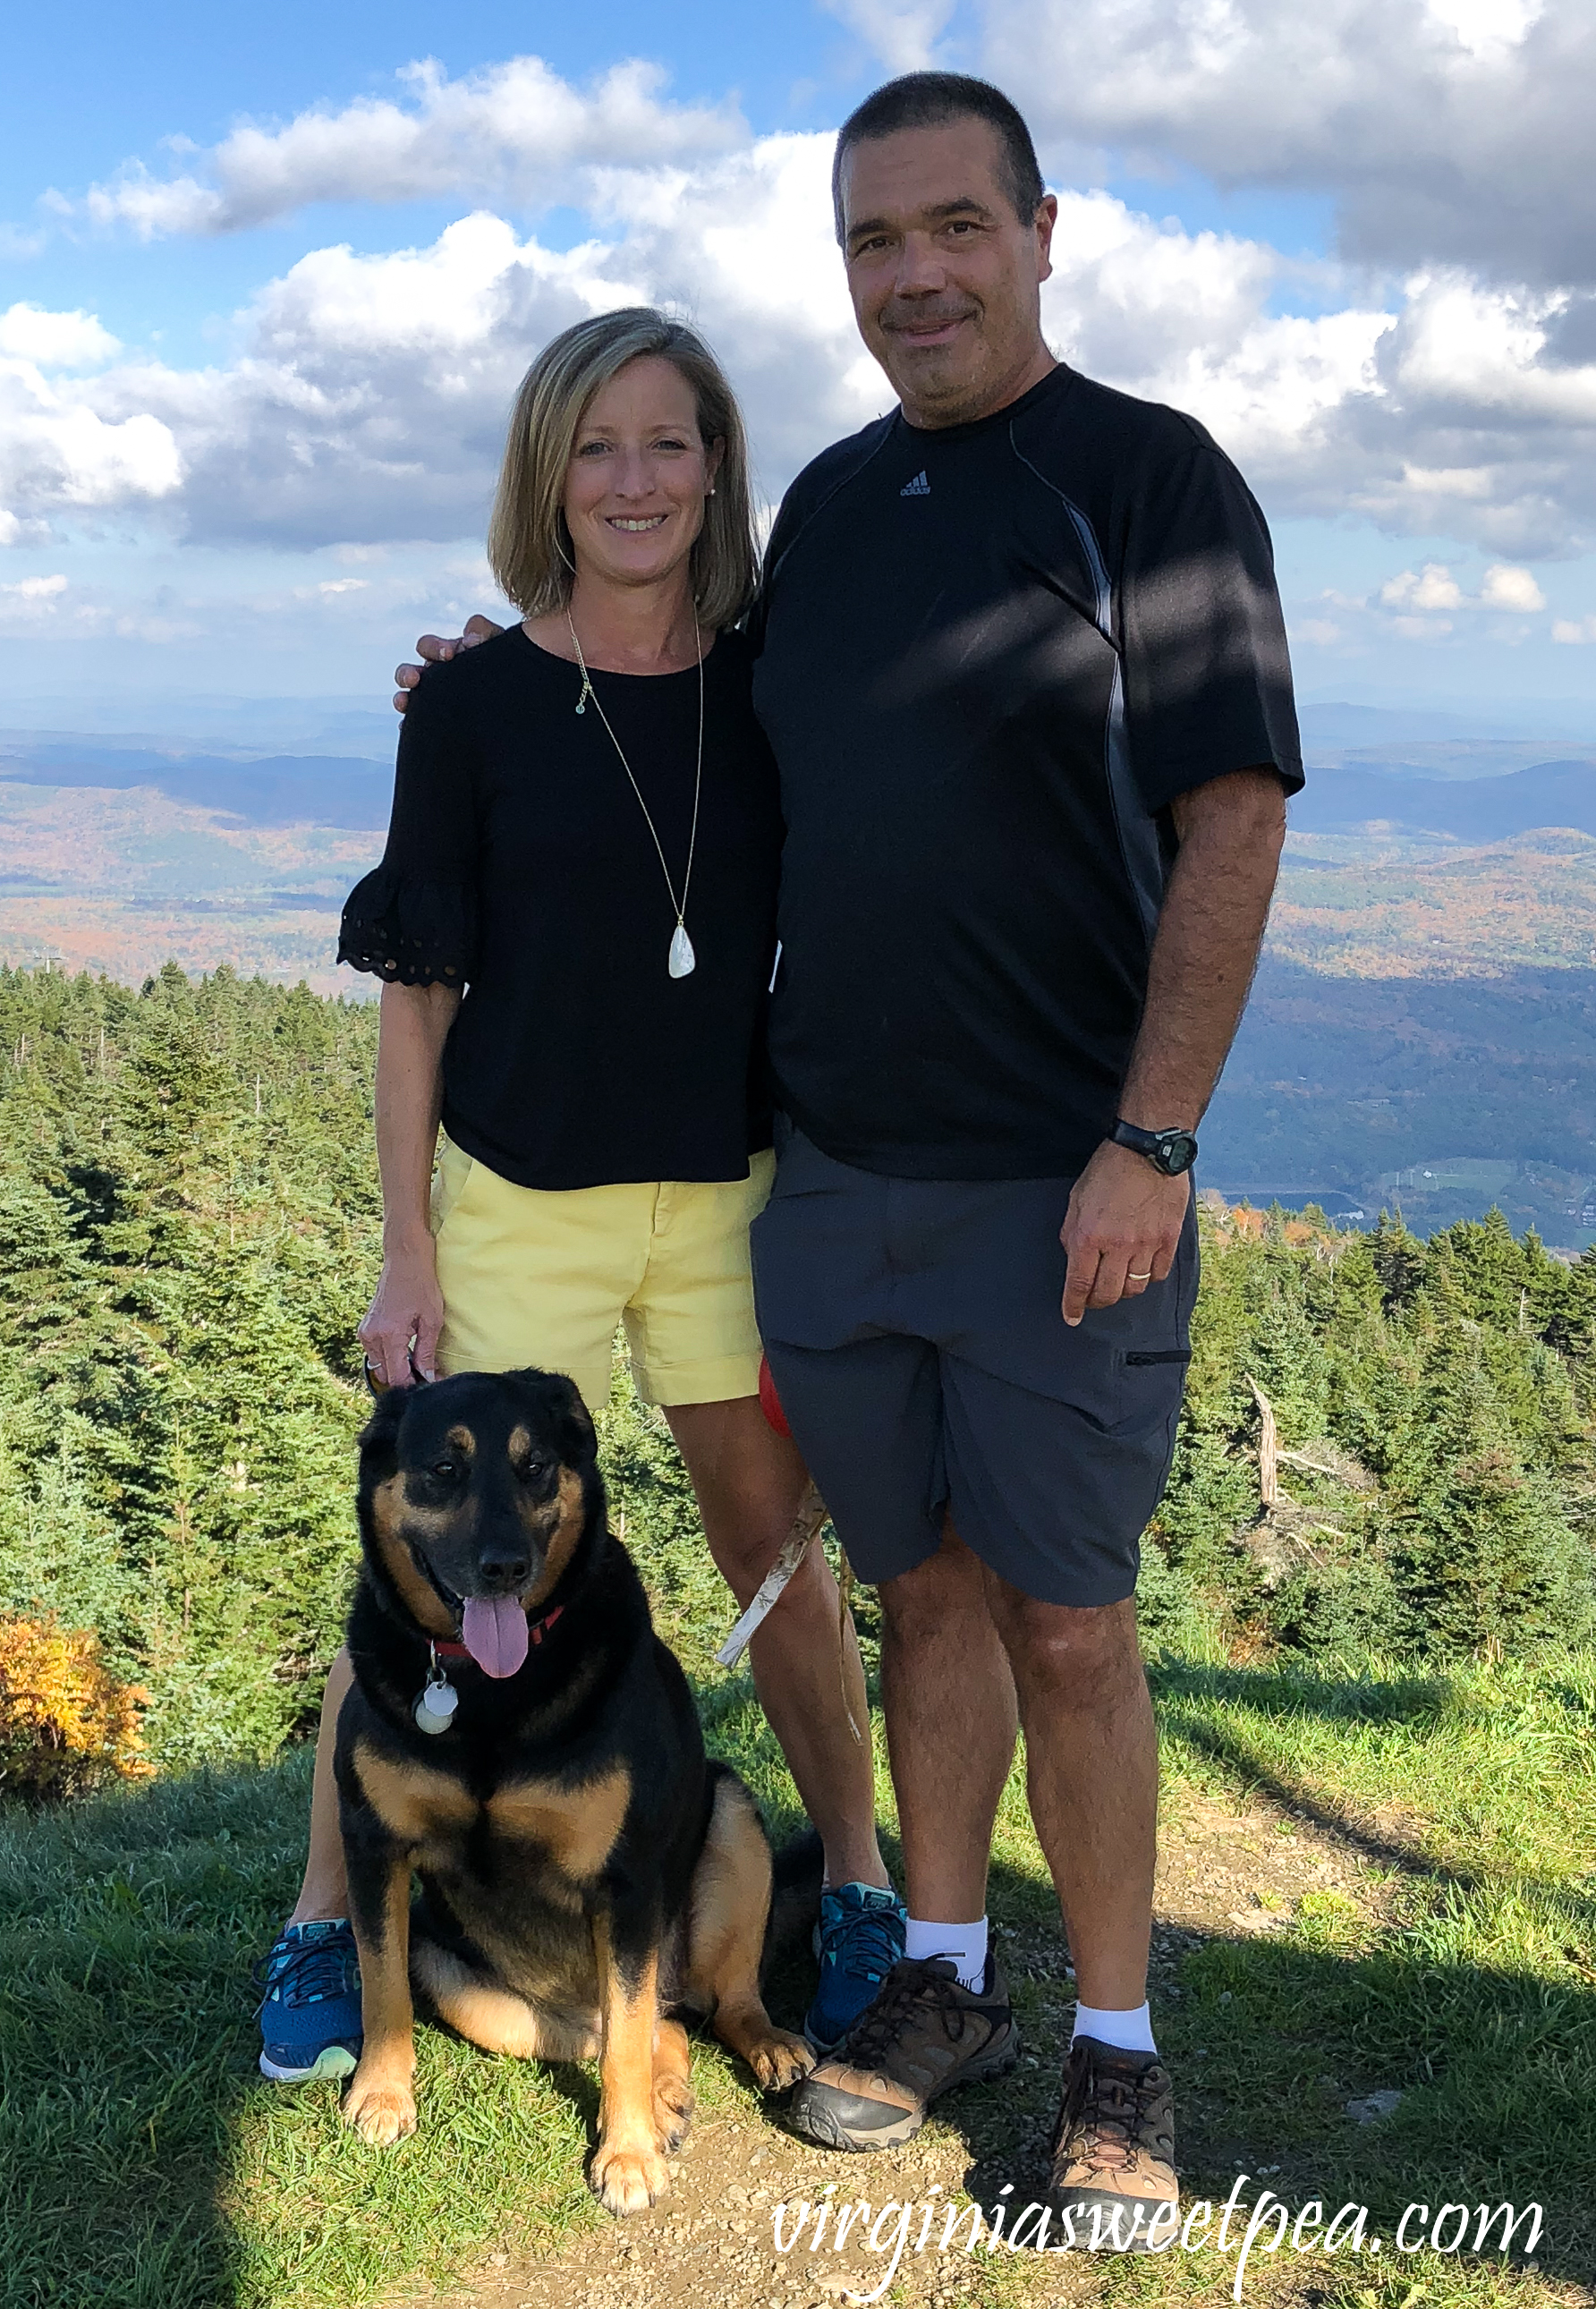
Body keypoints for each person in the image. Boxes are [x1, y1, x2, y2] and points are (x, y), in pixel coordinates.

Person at [397, 73, 1301, 2230]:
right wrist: (488, 681)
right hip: (822, 1181)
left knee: (1069, 1620)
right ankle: (947, 1978)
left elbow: (1233, 817)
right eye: (870, 244)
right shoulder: (821, 503)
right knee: (922, 1599)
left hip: (1056, 1179)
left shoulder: (1150, 480)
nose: (912, 274)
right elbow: (686, 703)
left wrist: (1149, 1139)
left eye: (950, 228)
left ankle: (1115, 2054)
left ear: (1038, 229)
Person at [256, 310, 902, 2092]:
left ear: (717, 468)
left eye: (669, 442)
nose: (634, 479)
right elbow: (415, 991)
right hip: (514, 1202)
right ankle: (327, 1914)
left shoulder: (770, 684)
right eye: (595, 445)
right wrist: (406, 1244)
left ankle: (850, 1881)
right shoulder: (466, 704)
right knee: (423, 1574)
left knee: (769, 1551)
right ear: (546, 471)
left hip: (721, 1197)